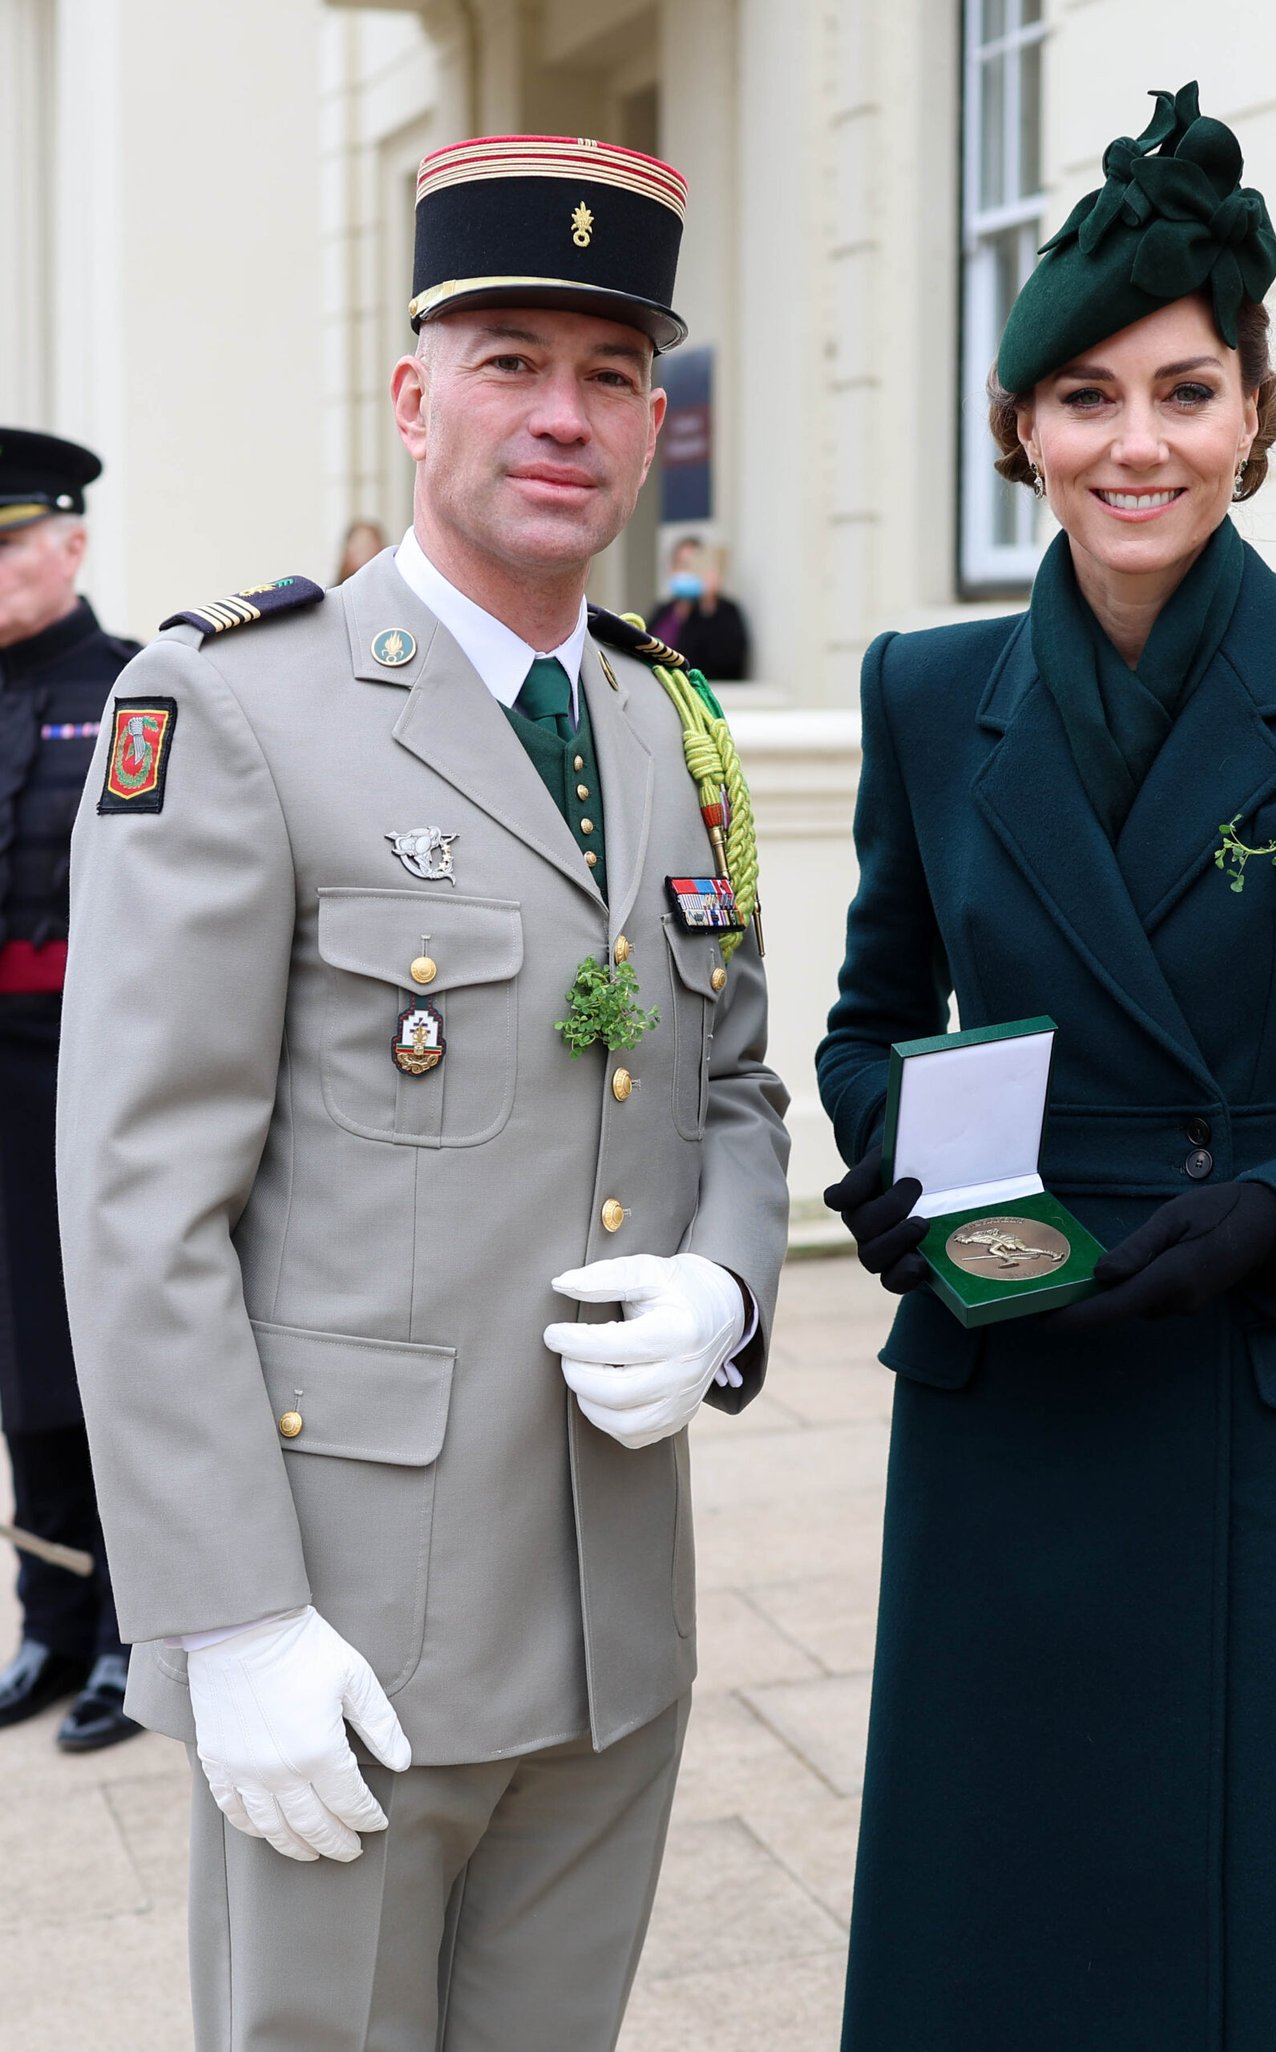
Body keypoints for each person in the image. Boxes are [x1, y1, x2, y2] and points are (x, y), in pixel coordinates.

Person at [817, 83, 1276, 2052]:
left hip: (1262, 1384)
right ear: (1017, 430)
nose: (1133, 443)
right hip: (1007, 1356)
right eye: (1081, 397)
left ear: (1252, 414)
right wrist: (894, 1176)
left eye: (1183, 390)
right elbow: (869, 1023)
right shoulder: (920, 690)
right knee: (1009, 1920)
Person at [57, 133, 789, 2051]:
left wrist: (727, 1284)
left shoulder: (669, 720)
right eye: (511, 359)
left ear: (653, 416)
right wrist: (225, 1619)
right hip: (346, 1625)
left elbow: (733, 1079)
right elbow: (141, 1200)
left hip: (616, 1615)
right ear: (413, 394)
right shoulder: (233, 706)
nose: (567, 415)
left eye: (614, 371)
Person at [0, 428, 141, 1752]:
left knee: (107, 1359)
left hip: (90, 1082)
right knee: (19, 1370)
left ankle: (126, 1631)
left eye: (6, 541)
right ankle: (47, 1614)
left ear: (71, 543)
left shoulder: (139, 690)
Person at [646, 534, 749, 679]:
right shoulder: (663, 611)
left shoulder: (725, 611)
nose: (686, 571)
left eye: (692, 565)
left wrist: (708, 605)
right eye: (680, 564)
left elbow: (727, 662)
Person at [335, 517, 387, 583]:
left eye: (369, 545)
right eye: (360, 545)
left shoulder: (387, 584)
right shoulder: (337, 590)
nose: (365, 552)